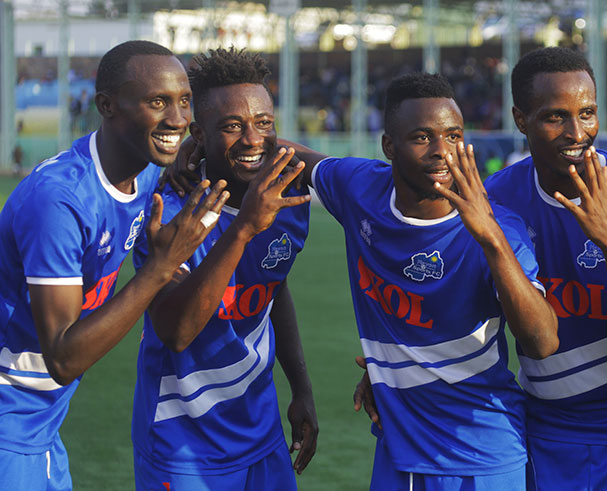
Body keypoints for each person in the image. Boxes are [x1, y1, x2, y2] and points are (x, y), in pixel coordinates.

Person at [300, 72, 557, 490]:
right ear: (389, 147)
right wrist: (194, 153)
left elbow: (544, 342)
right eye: (422, 137)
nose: (443, 152)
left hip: (480, 455)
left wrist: (490, 239)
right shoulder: (359, 188)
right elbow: (288, 155)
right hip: (396, 451)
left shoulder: (501, 230)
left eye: (453, 136)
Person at [0, 40, 226, 490]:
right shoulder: (58, 202)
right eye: (157, 102)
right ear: (107, 106)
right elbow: (63, 357)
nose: (179, 119)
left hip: (39, 425)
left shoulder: (143, 174)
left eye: (184, 102)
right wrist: (160, 268)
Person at [485, 47, 607, 490]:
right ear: (521, 120)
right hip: (542, 424)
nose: (578, 132)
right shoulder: (495, 200)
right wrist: (393, 370)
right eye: (556, 117)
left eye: (588, 113)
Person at [131, 47, 317, 491]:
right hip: (182, 442)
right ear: (199, 133)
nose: (253, 139)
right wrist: (245, 228)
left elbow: (273, 288)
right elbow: (177, 331)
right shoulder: (168, 214)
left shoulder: (287, 202)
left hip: (262, 430)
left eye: (264, 123)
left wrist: (302, 388)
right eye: (232, 126)